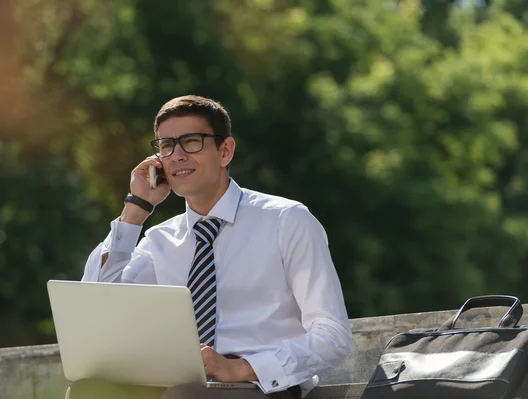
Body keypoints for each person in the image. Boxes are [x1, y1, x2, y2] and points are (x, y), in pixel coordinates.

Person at [73, 95, 352, 399]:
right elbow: (99, 309)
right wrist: (136, 208)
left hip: (262, 387)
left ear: (225, 151)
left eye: (191, 141)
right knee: (89, 390)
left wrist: (242, 367)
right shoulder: (158, 240)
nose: (177, 154)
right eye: (166, 145)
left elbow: (333, 337)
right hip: (183, 386)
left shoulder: (286, 220)